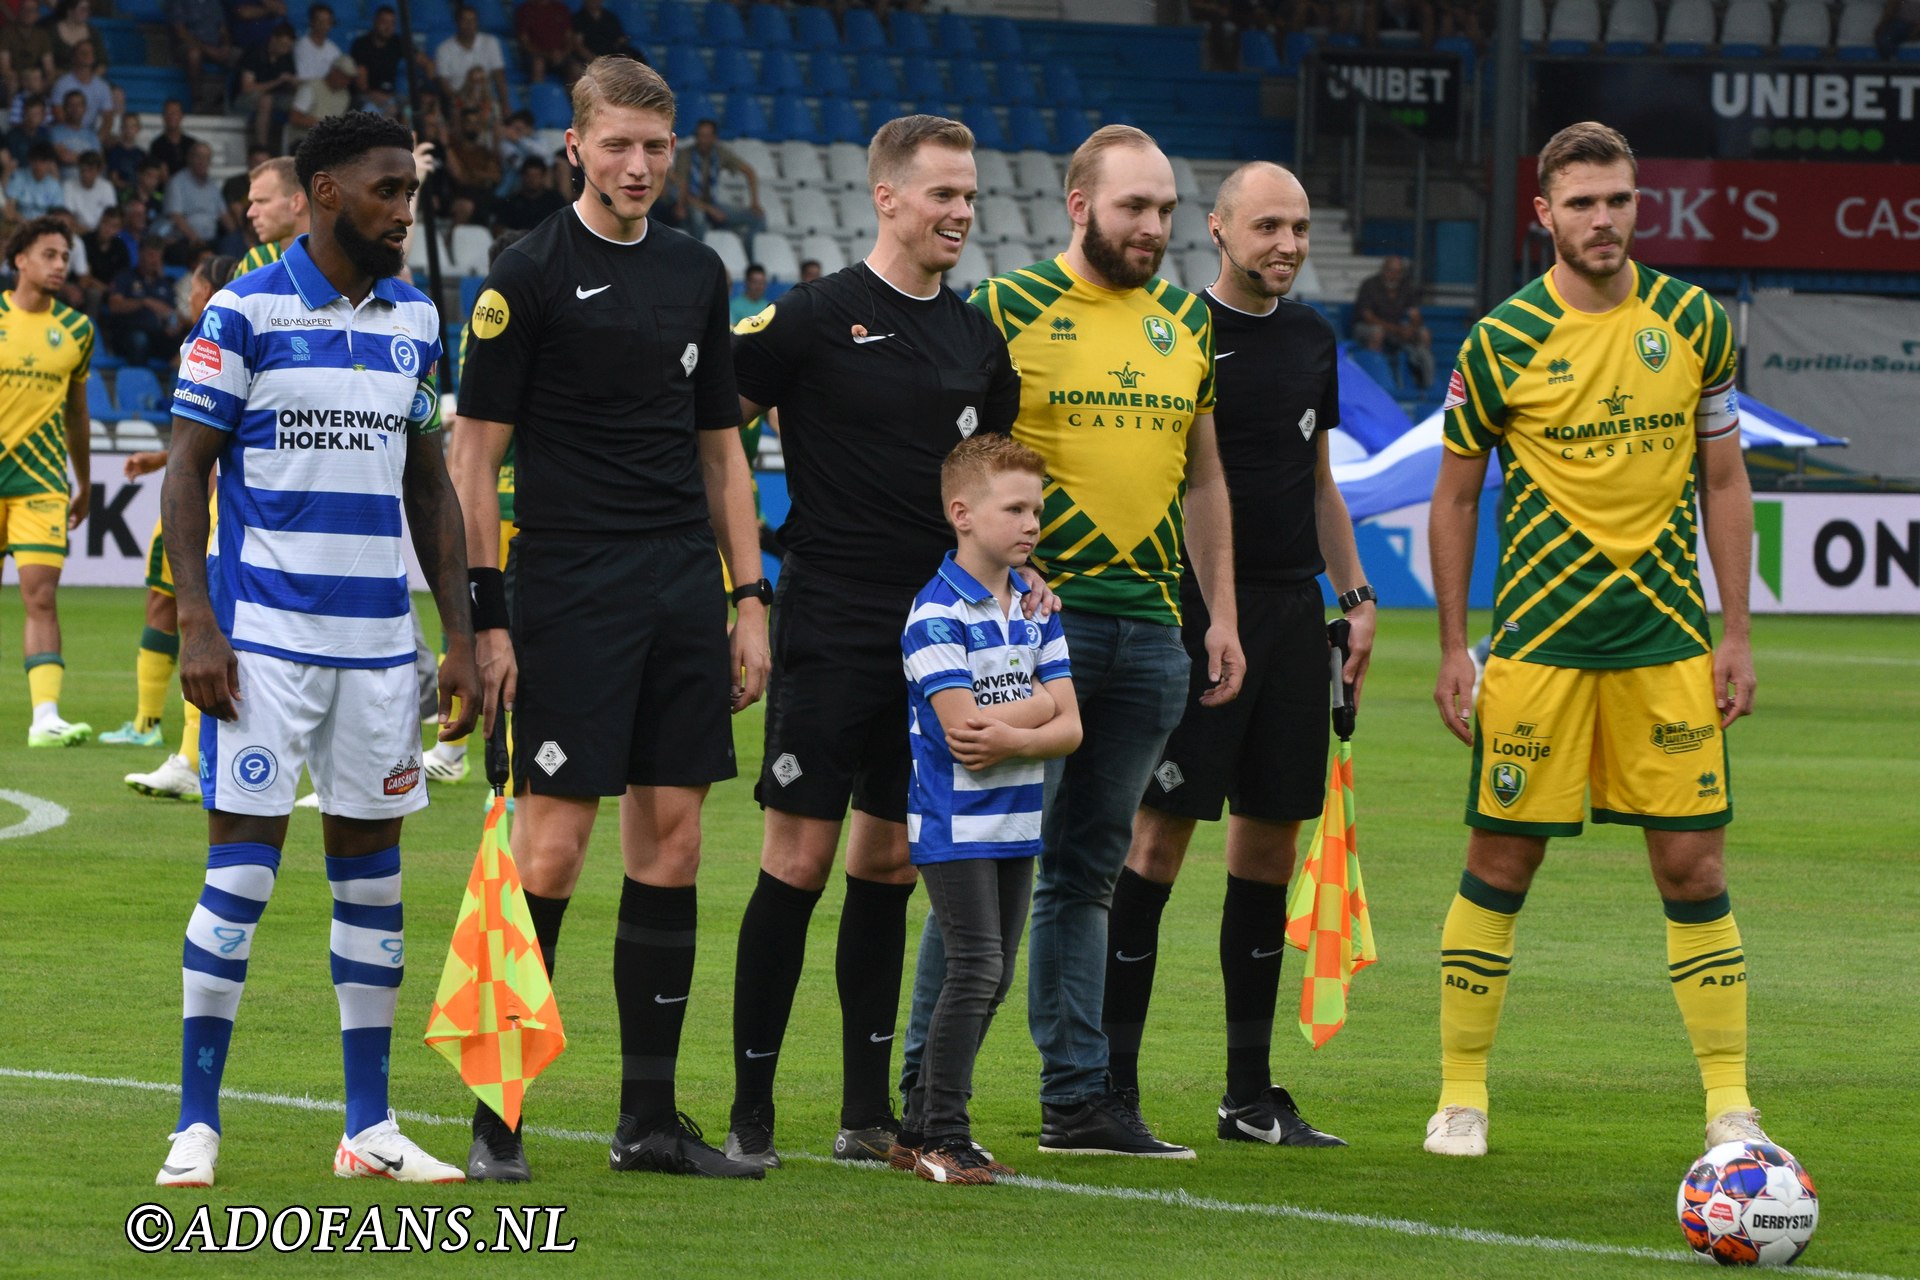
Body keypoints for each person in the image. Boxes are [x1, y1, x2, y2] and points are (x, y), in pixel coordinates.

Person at [448, 55, 769, 1183]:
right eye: (617, 145)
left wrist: (749, 596)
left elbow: (723, 451)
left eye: (656, 145)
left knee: (673, 841)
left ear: (674, 149)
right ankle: (498, 1117)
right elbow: (472, 457)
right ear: (575, 146)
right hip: (569, 585)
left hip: (683, 583)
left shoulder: (698, 269)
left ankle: (647, 1121)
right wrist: (487, 619)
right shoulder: (524, 273)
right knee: (555, 843)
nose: (638, 165)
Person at [903, 123, 1244, 1161]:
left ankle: (1079, 1101)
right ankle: (923, 1093)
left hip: (1149, 632)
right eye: (1136, 206)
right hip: (1030, 631)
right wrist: (985, 583)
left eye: (1168, 211)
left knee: (1090, 870)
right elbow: (956, 466)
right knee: (980, 855)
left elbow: (1205, 476)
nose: (1154, 227)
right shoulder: (1003, 308)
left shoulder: (1187, 318)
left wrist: (1217, 609)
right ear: (1079, 205)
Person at [152, 109, 478, 1190]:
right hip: (265, 648)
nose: (405, 210)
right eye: (389, 189)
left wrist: (463, 639)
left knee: (373, 889)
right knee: (239, 875)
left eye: (411, 191)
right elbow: (186, 469)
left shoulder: (419, 319)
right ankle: (197, 1121)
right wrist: (199, 621)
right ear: (329, 190)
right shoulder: (241, 310)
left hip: (382, 652)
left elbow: (430, 486)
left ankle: (369, 1126)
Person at [1424, 121, 1762, 1159]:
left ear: (1637, 203)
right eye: (1581, 203)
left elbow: (1723, 479)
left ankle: (1731, 1103)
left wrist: (1737, 631)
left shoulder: (1697, 323)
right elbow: (1454, 497)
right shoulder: (1500, 342)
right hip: (1539, 648)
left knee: (1695, 868)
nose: (1603, 219)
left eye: (1617, 199)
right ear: (1544, 216)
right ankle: (1462, 1091)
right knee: (1500, 857)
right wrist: (1452, 646)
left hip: (1665, 641)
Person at [718, 113, 1023, 1170]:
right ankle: (750, 1107)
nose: (961, 213)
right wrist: (741, 579)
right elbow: (717, 422)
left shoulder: (979, 341)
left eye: (971, 197)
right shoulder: (811, 316)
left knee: (889, 862)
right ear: (885, 196)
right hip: (832, 625)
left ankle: (863, 1111)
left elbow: (995, 490)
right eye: (942, 194)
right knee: (796, 859)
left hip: (934, 642)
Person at [1102, 160, 1371, 1150]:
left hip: (1293, 616)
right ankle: (1109, 1086)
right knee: (1156, 844)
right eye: (1268, 226)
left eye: (1299, 227)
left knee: (1268, 846)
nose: (1288, 245)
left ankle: (1249, 1092)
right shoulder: (1171, 333)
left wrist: (1354, 596)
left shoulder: (1310, 338)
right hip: (1188, 615)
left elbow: (1317, 483)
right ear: (1216, 228)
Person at [899, 434, 1080, 1185]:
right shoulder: (935, 615)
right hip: (954, 821)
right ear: (963, 513)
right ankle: (944, 1131)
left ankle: (918, 1128)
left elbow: (1072, 728)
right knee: (976, 968)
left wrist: (1015, 726)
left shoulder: (1035, 607)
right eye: (1015, 508)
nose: (1032, 522)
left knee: (993, 974)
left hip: (1015, 818)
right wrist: (1030, 719)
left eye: (1037, 509)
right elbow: (966, 736)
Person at [101, 251, 237, 752]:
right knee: (163, 604)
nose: (189, 293)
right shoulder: (199, 340)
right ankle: (147, 724)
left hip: (208, 503)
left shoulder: (225, 337)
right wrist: (164, 459)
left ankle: (184, 748)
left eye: (194, 285)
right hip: (194, 491)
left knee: (200, 618)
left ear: (210, 290)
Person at [0, 214, 94, 748]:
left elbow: (76, 415)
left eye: (65, 256)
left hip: (41, 483)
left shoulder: (77, 330)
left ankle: (46, 718)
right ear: (20, 259)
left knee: (40, 596)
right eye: (50, 254)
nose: (60, 264)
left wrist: (83, 481)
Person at [672, 118, 763, 256]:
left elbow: (750, 172)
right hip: (691, 203)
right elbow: (682, 191)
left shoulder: (720, 152)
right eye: (700, 135)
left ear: (715, 138)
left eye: (707, 136)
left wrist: (755, 202)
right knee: (698, 217)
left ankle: (751, 261)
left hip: (712, 203)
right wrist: (711, 210)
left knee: (757, 218)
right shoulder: (685, 155)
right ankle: (697, 258)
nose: (703, 140)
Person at [1353, 253, 1434, 388]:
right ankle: (1376, 374)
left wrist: (1411, 328)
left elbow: (1415, 315)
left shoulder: (1406, 287)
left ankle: (1423, 377)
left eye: (1398, 272)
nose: (1394, 275)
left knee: (1424, 333)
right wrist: (1397, 329)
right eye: (1391, 270)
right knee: (1377, 333)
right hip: (1367, 327)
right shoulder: (1370, 285)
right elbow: (1368, 317)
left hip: (1396, 328)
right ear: (1383, 269)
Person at [105, 232, 183, 362]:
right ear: (140, 254)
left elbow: (172, 312)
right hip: (129, 333)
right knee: (139, 340)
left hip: (158, 334)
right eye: (151, 255)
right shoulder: (125, 277)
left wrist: (173, 326)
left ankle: (172, 382)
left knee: (184, 345)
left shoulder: (165, 283)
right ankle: (137, 379)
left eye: (158, 256)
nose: (155, 260)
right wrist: (144, 302)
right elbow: (114, 306)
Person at [232, 22, 298, 153]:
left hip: (277, 96)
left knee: (300, 102)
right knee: (266, 100)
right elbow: (247, 87)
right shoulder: (254, 53)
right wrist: (277, 81)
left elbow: (290, 80)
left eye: (288, 47)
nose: (285, 49)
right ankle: (261, 148)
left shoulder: (287, 56)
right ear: (274, 39)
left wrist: (293, 83)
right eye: (283, 45)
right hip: (245, 99)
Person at [235, 154, 307, 275]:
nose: (250, 213)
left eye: (261, 201)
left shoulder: (342, 257)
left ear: (297, 202)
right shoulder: (255, 262)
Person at [434, 4, 508, 119]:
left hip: (486, 101)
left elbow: (500, 78)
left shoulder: (491, 43)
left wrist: (505, 105)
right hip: (459, 103)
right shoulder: (444, 49)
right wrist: (464, 98)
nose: (469, 24)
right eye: (465, 20)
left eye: (473, 20)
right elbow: (445, 88)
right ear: (457, 22)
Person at [286, 54, 353, 152]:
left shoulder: (345, 95)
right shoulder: (311, 87)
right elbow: (295, 117)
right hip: (303, 139)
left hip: (329, 141)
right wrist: (323, 124)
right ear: (334, 72)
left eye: (349, 78)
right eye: (344, 76)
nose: (346, 81)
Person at [514, 0, 573, 85]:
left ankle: (573, 98)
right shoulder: (525, 10)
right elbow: (524, 41)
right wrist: (546, 54)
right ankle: (538, 96)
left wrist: (563, 54)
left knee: (576, 68)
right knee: (538, 64)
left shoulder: (561, 8)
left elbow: (570, 38)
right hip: (536, 56)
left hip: (561, 56)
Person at [6, 139, 64, 218]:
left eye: (43, 161)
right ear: (29, 161)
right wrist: (24, 223)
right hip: (19, 223)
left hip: (44, 226)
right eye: (35, 160)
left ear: (50, 163)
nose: (38, 165)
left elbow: (58, 214)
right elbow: (9, 208)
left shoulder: (54, 185)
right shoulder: (18, 177)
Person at [60, 147, 113, 229]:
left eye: (90, 170)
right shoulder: (68, 186)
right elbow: (68, 217)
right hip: (77, 231)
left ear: (98, 171)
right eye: (83, 170)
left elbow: (111, 217)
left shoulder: (107, 187)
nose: (86, 174)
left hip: (101, 232)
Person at [147, 99, 199, 179]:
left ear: (182, 116)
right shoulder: (157, 145)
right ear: (163, 116)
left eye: (175, 113)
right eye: (168, 113)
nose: (171, 116)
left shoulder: (192, 144)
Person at [291, 2, 341, 84]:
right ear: (311, 22)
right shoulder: (301, 46)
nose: (324, 25)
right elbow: (302, 79)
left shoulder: (334, 49)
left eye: (327, 22)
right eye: (320, 21)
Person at [726, 260, 765, 324]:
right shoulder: (734, 306)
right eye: (755, 282)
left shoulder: (768, 307)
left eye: (762, 283)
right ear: (747, 282)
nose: (759, 287)